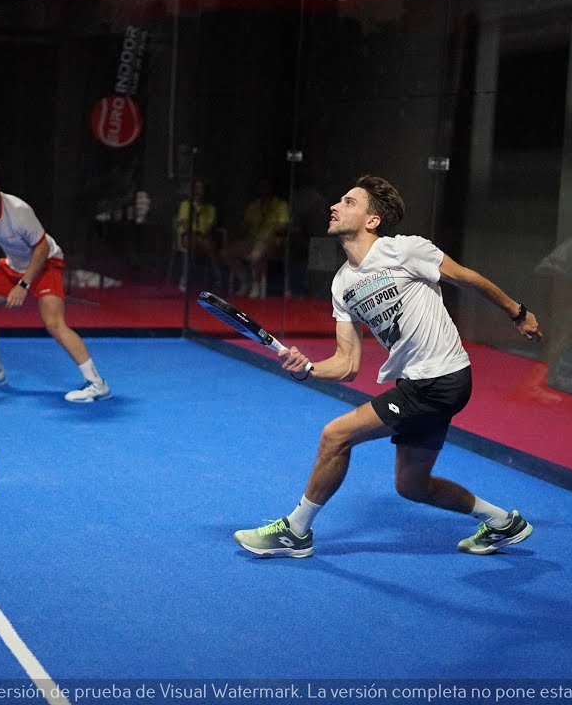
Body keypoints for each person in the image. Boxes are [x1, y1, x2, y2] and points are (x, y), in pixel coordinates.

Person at [233, 174, 544, 558]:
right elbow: (347, 363)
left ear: (372, 220)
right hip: (417, 383)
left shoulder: (405, 250)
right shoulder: (342, 284)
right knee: (412, 486)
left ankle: (296, 531)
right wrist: (307, 369)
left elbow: (467, 279)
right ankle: (502, 522)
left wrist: (517, 312)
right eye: (339, 200)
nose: (335, 206)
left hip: (441, 378)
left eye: (349, 202)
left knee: (335, 435)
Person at [0, 156, 112, 403]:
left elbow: (41, 249)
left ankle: (97, 383)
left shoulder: (18, 212)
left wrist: (23, 285)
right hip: (14, 265)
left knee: (54, 322)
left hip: (46, 263)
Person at [222, 176, 291, 297]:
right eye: (261, 186)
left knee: (256, 256)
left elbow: (283, 226)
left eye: (266, 186)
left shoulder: (281, 205)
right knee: (226, 253)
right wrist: (236, 234)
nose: (264, 189)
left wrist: (271, 234)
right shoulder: (254, 205)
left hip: (272, 241)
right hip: (252, 240)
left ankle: (256, 285)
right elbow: (245, 225)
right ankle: (245, 281)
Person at [174, 178, 221, 292]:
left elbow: (209, 227)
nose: (199, 191)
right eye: (197, 188)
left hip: (203, 236)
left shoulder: (210, 208)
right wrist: (194, 234)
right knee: (193, 242)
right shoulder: (186, 204)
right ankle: (186, 278)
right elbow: (184, 223)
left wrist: (202, 234)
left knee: (210, 246)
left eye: (201, 188)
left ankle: (217, 279)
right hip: (188, 235)